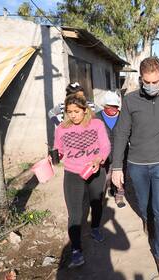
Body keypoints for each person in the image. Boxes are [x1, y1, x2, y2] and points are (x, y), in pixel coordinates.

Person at [111, 57, 159, 278]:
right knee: (145, 207)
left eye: (155, 82)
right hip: (137, 165)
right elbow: (121, 133)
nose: (150, 86)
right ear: (141, 79)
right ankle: (146, 220)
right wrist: (116, 167)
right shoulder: (130, 100)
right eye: (146, 82)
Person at [53, 93, 110, 268]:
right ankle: (76, 251)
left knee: (96, 203)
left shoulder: (97, 124)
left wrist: (98, 159)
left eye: (76, 111)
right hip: (72, 173)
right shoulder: (61, 128)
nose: (73, 115)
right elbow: (59, 149)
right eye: (69, 112)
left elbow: (105, 145)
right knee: (75, 213)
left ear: (85, 110)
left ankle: (94, 228)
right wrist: (54, 156)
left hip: (95, 171)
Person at [95, 90, 125, 208]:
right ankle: (102, 195)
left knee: (120, 176)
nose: (113, 109)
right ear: (104, 106)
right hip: (102, 153)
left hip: (120, 152)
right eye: (109, 106)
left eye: (115, 106)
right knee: (104, 177)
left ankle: (119, 196)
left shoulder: (123, 116)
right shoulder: (97, 117)